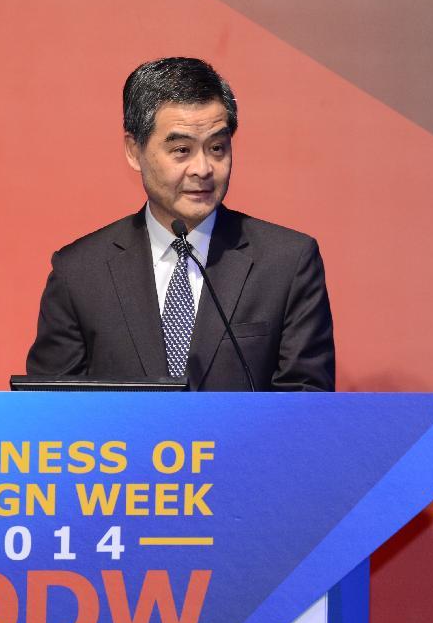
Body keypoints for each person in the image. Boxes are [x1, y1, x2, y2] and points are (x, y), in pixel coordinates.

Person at [27, 57, 334, 391]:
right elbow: (50, 415)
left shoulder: (287, 263)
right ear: (134, 150)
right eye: (182, 150)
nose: (203, 168)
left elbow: (307, 412)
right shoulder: (80, 273)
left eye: (217, 148)